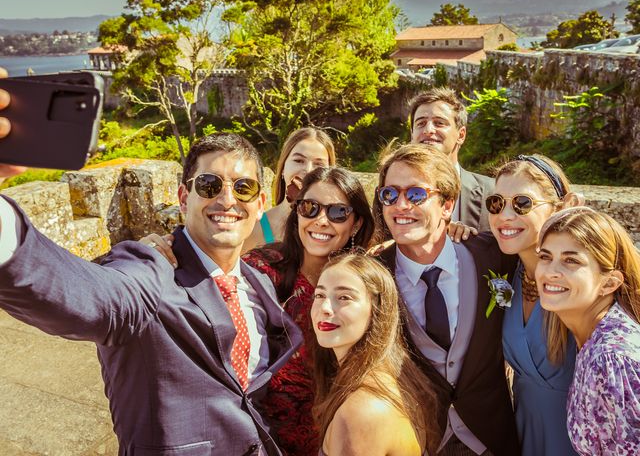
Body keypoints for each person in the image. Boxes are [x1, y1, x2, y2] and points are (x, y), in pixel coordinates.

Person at [0, 132, 303, 455]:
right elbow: (100, 298)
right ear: (184, 198)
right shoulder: (149, 271)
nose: (228, 200)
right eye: (209, 185)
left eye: (243, 187)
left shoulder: (260, 283)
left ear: (259, 205)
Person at [145, 166, 375, 454]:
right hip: (261, 438)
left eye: (338, 212)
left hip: (337, 438)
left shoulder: (369, 282)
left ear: (355, 224)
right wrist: (154, 251)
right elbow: (198, 287)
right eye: (310, 208)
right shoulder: (261, 269)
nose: (321, 220)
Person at [373, 143, 519, 456]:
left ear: (447, 204)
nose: (400, 205)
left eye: (415, 194)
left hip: (491, 438)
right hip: (413, 440)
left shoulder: (493, 255)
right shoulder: (372, 276)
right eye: (390, 194)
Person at [488, 155, 580, 456]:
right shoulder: (507, 275)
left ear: (561, 206)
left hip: (579, 439)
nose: (505, 215)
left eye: (522, 203)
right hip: (522, 435)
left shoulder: (582, 282)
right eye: (497, 203)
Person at [311, 253, 439, 456]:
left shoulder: (361, 411)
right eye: (319, 295)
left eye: (344, 297)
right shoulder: (393, 377)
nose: (325, 308)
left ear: (377, 309)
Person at [536, 207, 640, 456]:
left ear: (610, 283)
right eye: (546, 257)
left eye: (571, 260)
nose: (551, 271)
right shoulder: (591, 338)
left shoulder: (611, 359)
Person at [408, 88, 492, 232]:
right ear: (412, 135)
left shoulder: (491, 191)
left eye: (439, 123)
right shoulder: (390, 192)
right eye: (420, 123)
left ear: (461, 135)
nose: (428, 130)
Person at [243, 127, 335, 252]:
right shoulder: (254, 227)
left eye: (319, 164)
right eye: (299, 160)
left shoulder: (336, 228)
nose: (308, 170)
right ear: (283, 168)